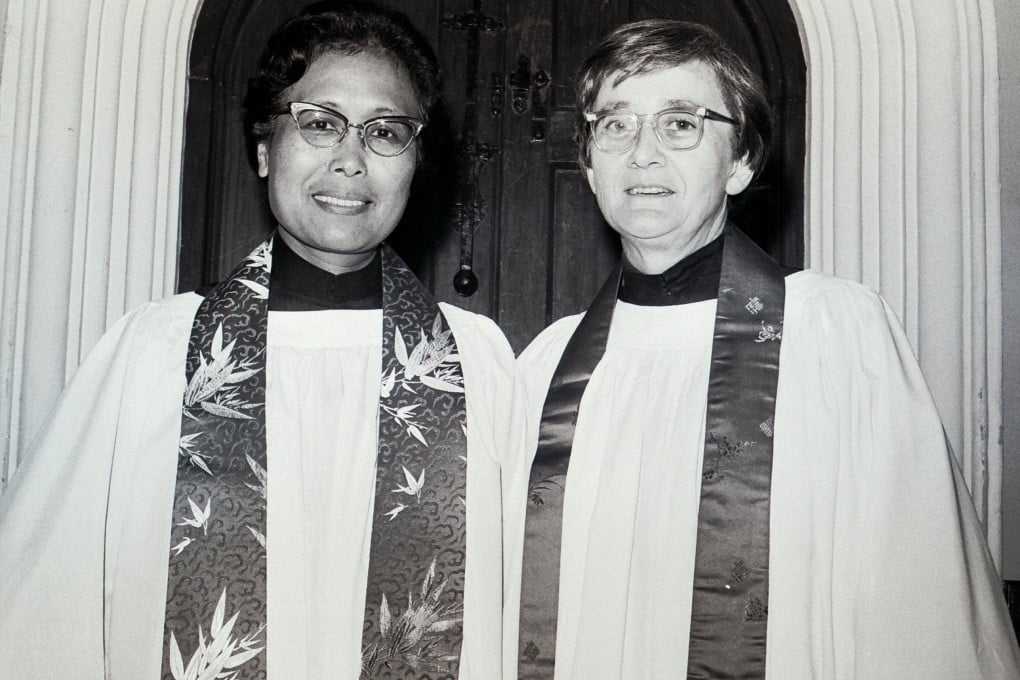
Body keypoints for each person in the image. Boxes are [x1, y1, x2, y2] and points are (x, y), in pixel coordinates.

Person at [0, 2, 511, 678]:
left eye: (386, 131)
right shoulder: (155, 353)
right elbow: (44, 613)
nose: (351, 160)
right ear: (266, 148)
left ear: (416, 161)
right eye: (319, 124)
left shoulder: (477, 364)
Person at [502, 19, 1020, 680]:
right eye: (617, 124)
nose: (643, 155)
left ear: (741, 162)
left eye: (681, 123)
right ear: (589, 164)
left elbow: (915, 605)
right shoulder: (546, 368)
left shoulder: (834, 336)